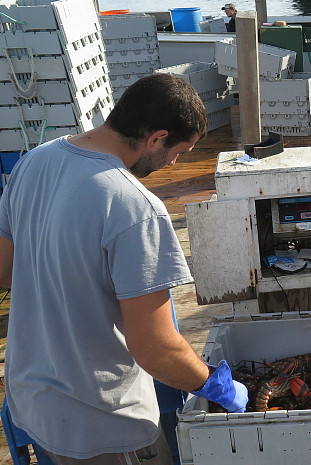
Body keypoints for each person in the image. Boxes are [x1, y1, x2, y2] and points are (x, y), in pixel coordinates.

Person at [0, 74, 247, 464]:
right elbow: (155, 350)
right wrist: (216, 386)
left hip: (33, 403)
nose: (173, 163)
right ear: (157, 138)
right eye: (178, 151)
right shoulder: (136, 207)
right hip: (103, 423)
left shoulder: (33, 162)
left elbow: (4, 272)